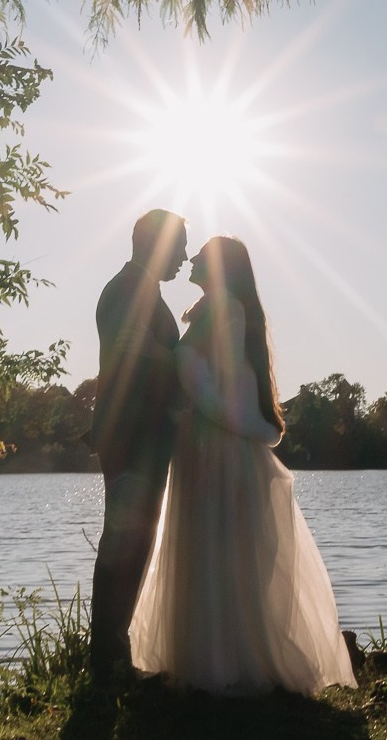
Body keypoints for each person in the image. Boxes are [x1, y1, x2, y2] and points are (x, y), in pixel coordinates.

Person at [129, 235, 356, 694]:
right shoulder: (224, 307)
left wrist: (167, 359)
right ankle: (219, 658)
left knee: (215, 547)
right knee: (219, 548)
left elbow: (206, 377)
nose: (190, 257)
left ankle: (219, 663)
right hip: (212, 442)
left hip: (215, 446)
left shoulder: (222, 307)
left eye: (199, 253)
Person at [86, 208, 187, 686]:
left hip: (140, 435)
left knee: (133, 541)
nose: (185, 258)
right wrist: (183, 360)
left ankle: (112, 656)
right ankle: (107, 661)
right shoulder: (129, 291)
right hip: (131, 435)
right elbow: (138, 359)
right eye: (181, 246)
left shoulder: (141, 290)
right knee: (124, 542)